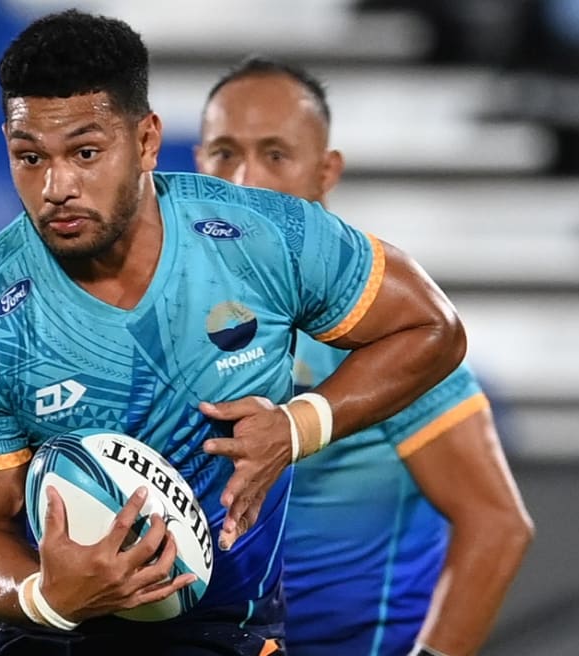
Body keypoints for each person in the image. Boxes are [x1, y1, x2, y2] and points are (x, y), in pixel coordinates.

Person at [0, 11, 468, 656]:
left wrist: (299, 426)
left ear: (148, 140)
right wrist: (45, 595)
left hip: (222, 633)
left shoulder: (265, 239)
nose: (57, 186)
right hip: (50, 636)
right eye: (29, 158)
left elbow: (432, 327)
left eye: (87, 152)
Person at [196, 56, 535, 656]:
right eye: (224, 152)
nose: (244, 180)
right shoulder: (166, 310)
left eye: (275, 154)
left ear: (326, 172)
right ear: (198, 162)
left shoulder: (395, 329)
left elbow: (497, 524)